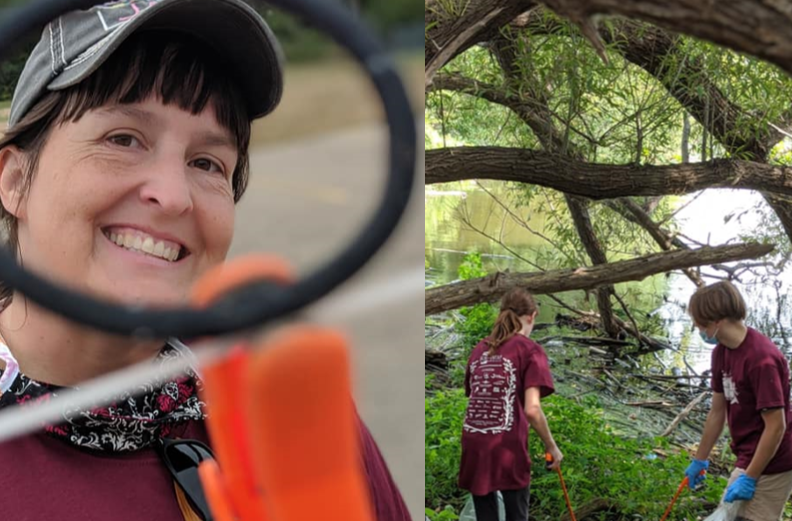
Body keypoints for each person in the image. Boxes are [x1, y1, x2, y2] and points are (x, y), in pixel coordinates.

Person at [0, 1, 411, 519]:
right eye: (123, 138)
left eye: (206, 163)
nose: (173, 196)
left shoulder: (281, 393)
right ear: (14, 180)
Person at [683, 281, 792, 521]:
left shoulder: (762, 360)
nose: (697, 327)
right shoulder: (722, 352)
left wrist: (750, 477)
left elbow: (776, 426)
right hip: (750, 455)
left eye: (699, 322)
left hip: (777, 461)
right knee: (726, 515)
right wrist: (700, 459)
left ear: (716, 321)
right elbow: (717, 412)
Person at [458, 287, 562, 521]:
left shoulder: (479, 349)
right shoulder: (530, 350)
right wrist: (552, 447)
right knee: (516, 515)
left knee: (486, 517)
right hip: (506, 447)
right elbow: (532, 410)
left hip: (474, 442)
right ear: (532, 315)